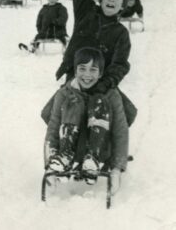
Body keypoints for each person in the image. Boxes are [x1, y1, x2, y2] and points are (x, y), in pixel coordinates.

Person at [42, 48, 131, 195]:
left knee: (99, 101)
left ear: (101, 73)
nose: (87, 75)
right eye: (82, 69)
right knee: (73, 101)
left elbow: (120, 131)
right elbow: (53, 128)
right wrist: (49, 165)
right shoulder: (64, 93)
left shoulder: (111, 95)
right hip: (72, 149)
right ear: (75, 71)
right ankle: (66, 155)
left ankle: (93, 157)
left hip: (101, 152)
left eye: (93, 70)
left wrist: (116, 169)